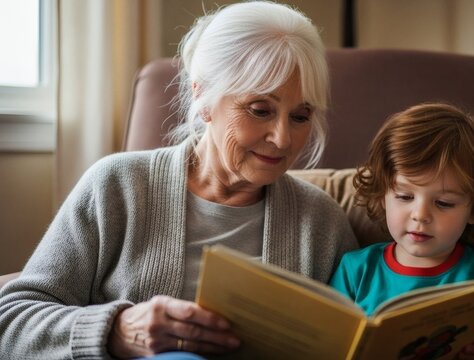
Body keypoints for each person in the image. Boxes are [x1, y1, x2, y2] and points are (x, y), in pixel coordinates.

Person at [0, 1, 357, 359]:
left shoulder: (321, 222)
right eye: (260, 110)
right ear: (203, 97)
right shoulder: (117, 187)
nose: (282, 138)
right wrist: (117, 331)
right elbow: (11, 323)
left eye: (300, 116)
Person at [329, 103, 474, 360]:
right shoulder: (355, 270)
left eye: (443, 203)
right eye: (404, 196)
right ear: (382, 196)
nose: (420, 215)